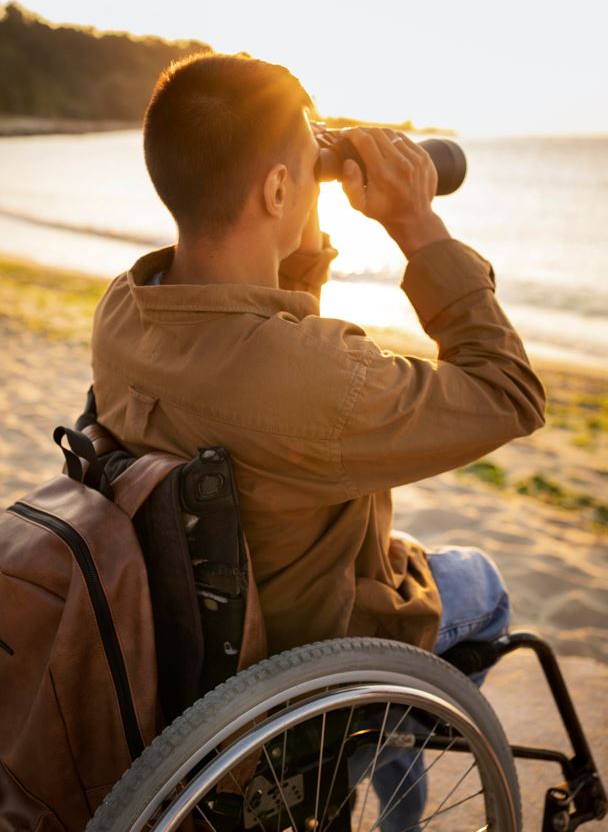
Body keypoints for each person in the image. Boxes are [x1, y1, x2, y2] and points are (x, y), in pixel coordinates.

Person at [91, 52, 545, 827]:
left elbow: (268, 334)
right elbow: (509, 391)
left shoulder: (126, 311)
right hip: (311, 662)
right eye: (298, 172)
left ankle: (391, 738)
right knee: (482, 580)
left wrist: (295, 182)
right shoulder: (310, 381)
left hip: (192, 648)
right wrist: (415, 220)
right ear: (274, 189)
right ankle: (394, 747)